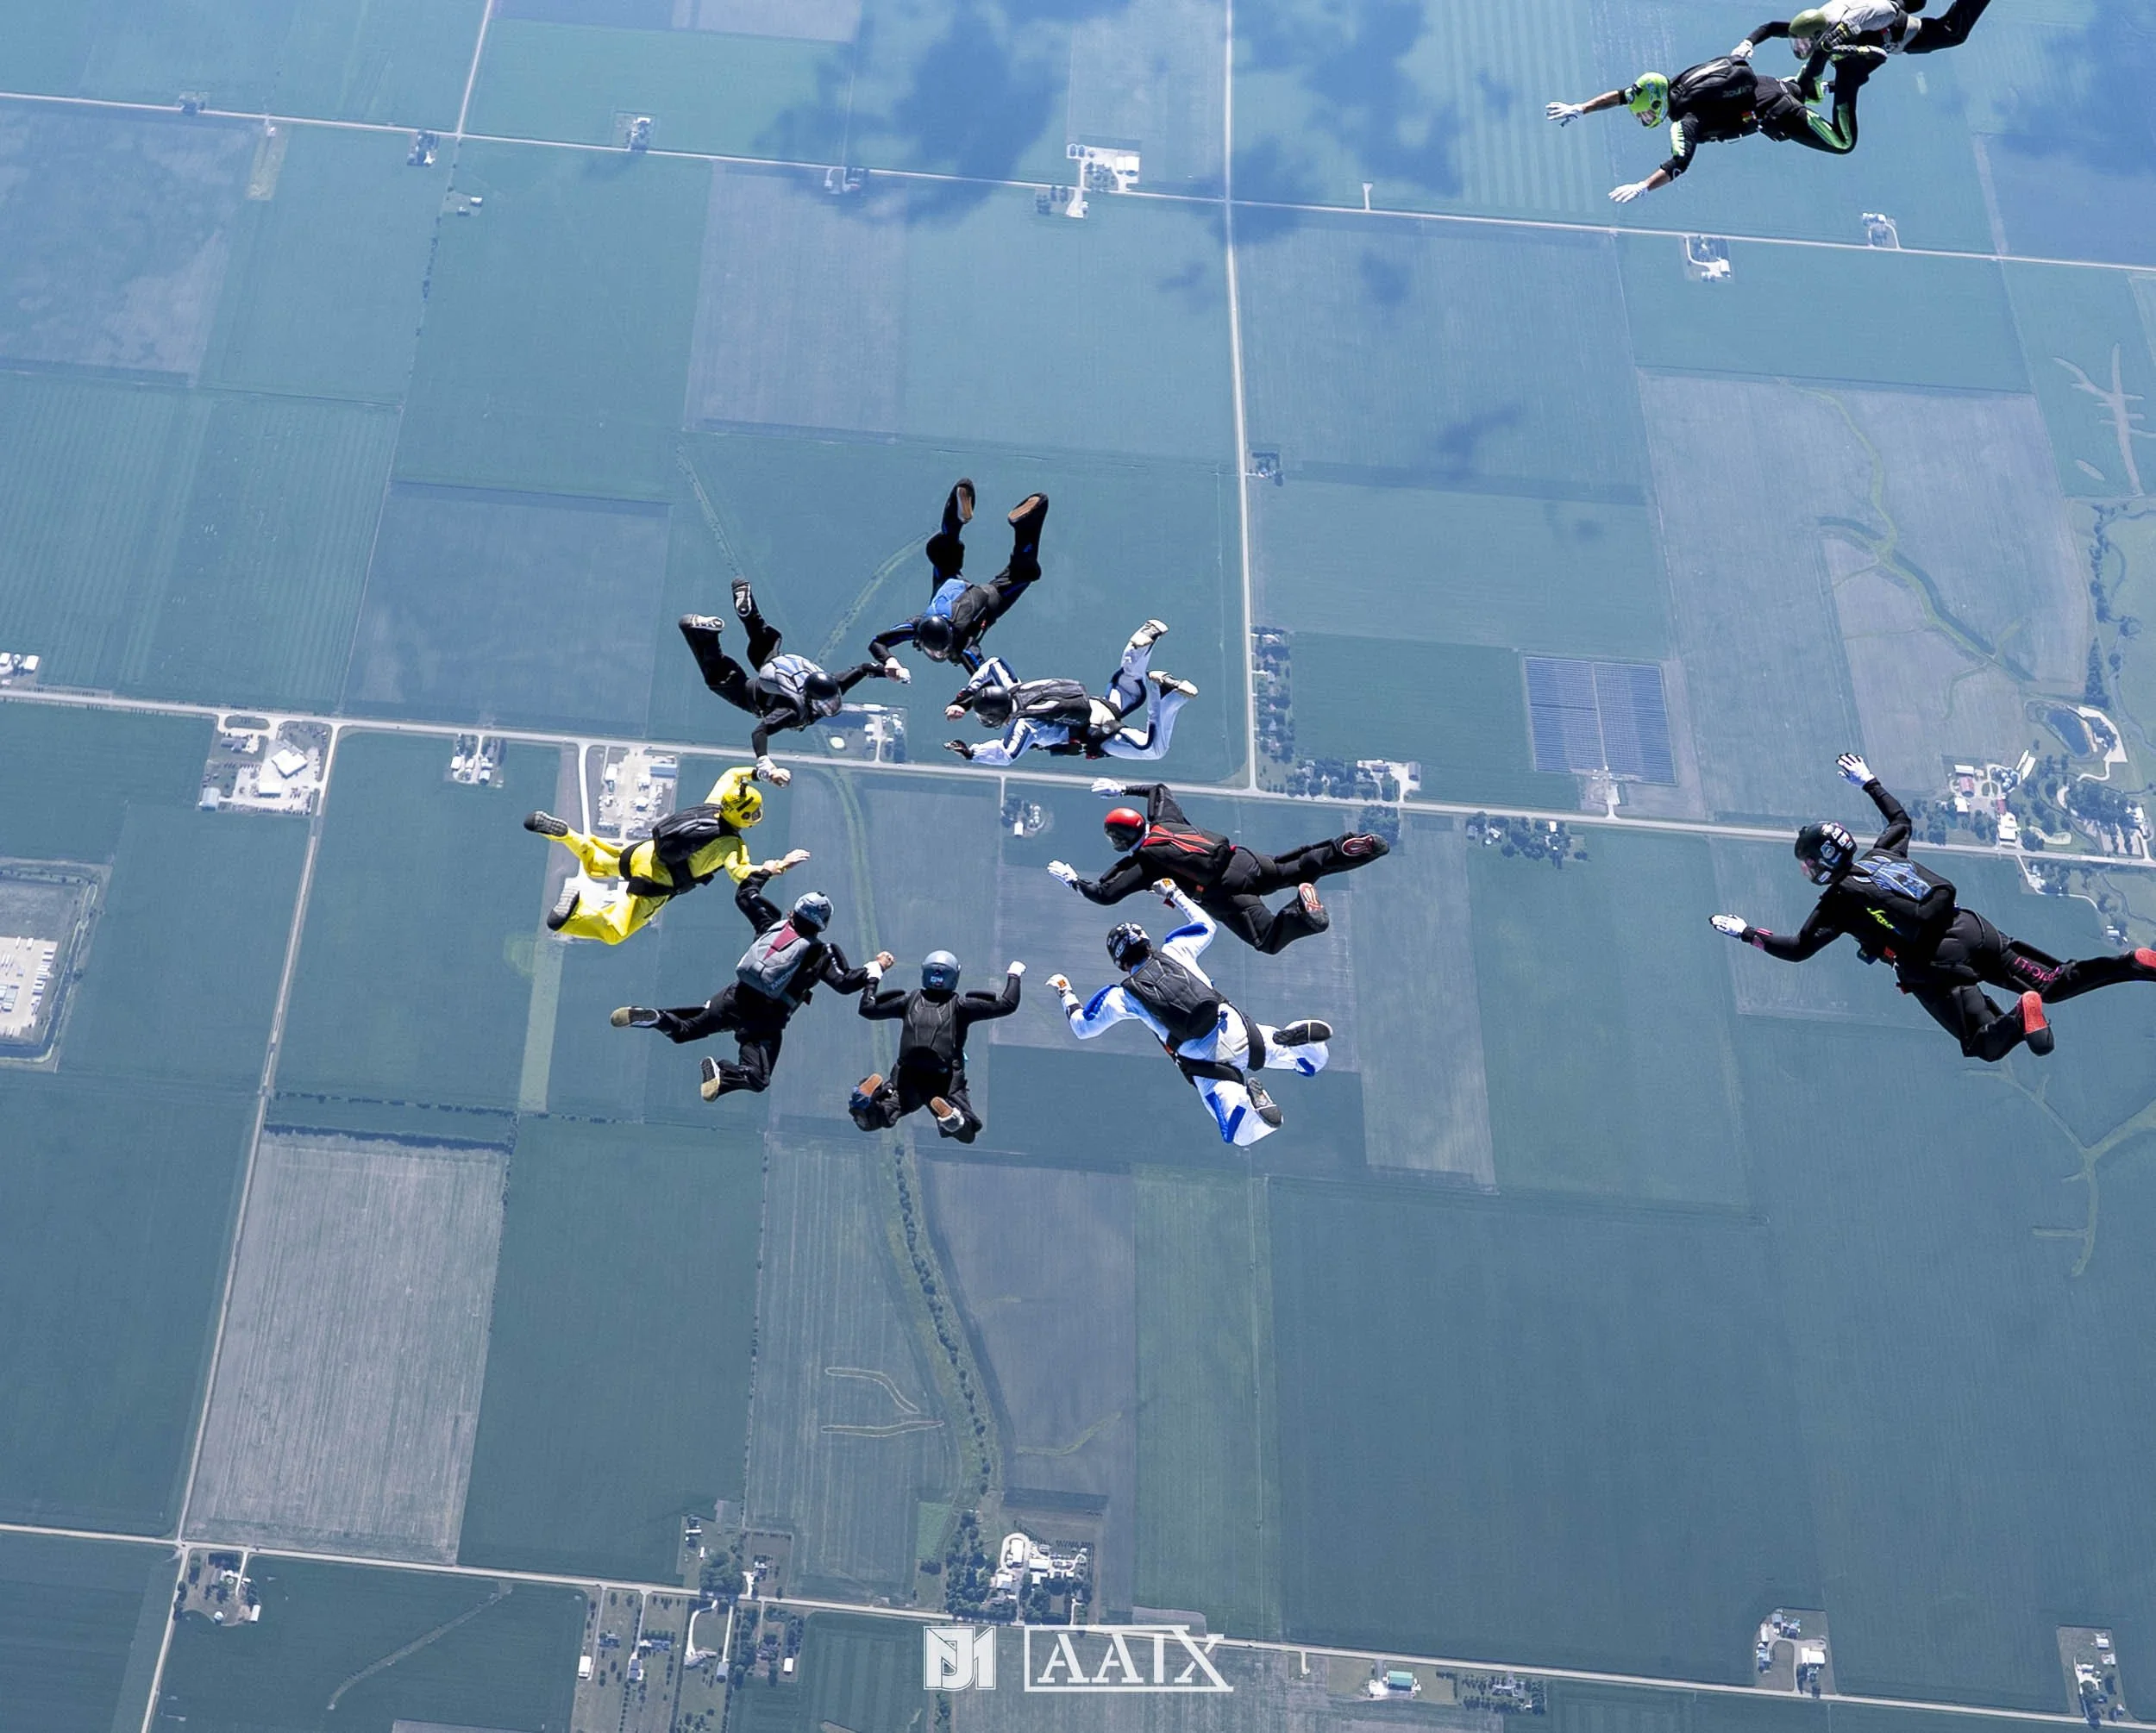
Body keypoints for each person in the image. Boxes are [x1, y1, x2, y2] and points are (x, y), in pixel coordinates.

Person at [1712, 754, 2156, 1061]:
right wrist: (1869, 782)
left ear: (1821, 864)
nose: (1807, 872)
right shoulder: (1884, 855)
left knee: (1983, 1044)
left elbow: (1796, 949)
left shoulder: (1837, 905)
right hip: (1973, 929)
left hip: (1937, 966)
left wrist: (1746, 931)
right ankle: (2132, 965)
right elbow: (1900, 820)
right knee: (2058, 980)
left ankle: (2021, 1015)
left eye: (1808, 865)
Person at [1047, 881, 1332, 1146]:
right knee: (1312, 1063)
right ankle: (1293, 1038)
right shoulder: (1176, 950)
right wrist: (1173, 894)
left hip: (1204, 1060)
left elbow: (1082, 1028)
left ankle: (1252, 1104)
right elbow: (1206, 924)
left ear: (1120, 963)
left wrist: (1065, 993)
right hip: (1235, 1028)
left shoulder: (1123, 995)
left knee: (1238, 1133)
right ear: (1147, 943)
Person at [611, 868, 887, 1101]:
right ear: (822, 923)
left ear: (795, 911)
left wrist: (767, 870)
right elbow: (845, 983)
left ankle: (657, 1017)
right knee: (757, 1078)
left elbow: (745, 895)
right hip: (766, 1019)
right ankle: (724, 1074)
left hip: (735, 997)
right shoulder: (821, 952)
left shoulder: (771, 924)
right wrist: (876, 968)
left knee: (684, 1030)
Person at [1048, 779, 1391, 954]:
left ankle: (1302, 914)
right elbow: (1158, 789)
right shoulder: (1165, 820)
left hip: (1226, 894)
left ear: (1121, 841)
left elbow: (1106, 893)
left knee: (1267, 940)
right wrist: (1123, 788)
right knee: (1300, 865)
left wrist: (1073, 880)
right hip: (1245, 860)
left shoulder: (1144, 864)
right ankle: (1353, 848)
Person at [1545, 47, 1872, 202]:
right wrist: (1581, 108)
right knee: (1810, 91)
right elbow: (1621, 96)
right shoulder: (1673, 84)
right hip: (1773, 85)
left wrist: (1643, 186)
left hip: (1778, 110)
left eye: (1645, 114)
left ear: (1658, 104)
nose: (1643, 118)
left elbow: (1678, 165)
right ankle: (1830, 57)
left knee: (1841, 142)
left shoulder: (1684, 122)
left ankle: (1848, 75)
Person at [523, 764, 805, 943]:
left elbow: (731, 774)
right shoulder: (733, 846)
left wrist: (762, 774)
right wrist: (776, 866)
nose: (757, 815)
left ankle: (565, 835)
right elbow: (740, 874)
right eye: (753, 813)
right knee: (614, 932)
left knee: (596, 864)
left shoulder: (715, 803)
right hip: (657, 881)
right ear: (743, 817)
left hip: (647, 852)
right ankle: (571, 917)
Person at [679, 579, 905, 784]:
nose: (829, 707)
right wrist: (765, 764)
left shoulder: (833, 684)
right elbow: (760, 731)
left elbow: (863, 669)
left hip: (776, 670)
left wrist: (890, 671)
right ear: (810, 698)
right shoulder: (792, 711)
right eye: (825, 704)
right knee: (717, 676)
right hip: (753, 696)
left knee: (762, 640)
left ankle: (747, 611)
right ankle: (699, 631)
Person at [943, 621, 1197, 766]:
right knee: (1129, 683)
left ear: (996, 716)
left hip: (1098, 731)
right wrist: (967, 694)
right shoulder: (1015, 688)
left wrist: (972, 753)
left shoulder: (1024, 724)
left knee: (1152, 749)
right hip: (1098, 705)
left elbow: (1005, 754)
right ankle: (1138, 648)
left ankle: (1164, 695)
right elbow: (993, 664)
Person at [867, 483, 1050, 674]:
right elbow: (878, 643)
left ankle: (1027, 524)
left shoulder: (962, 643)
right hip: (950, 586)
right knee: (944, 553)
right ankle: (955, 516)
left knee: (1022, 573)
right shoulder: (917, 624)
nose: (938, 654)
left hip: (987, 600)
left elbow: (982, 675)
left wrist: (963, 702)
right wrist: (889, 661)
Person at [848, 951, 1025, 1142]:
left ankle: (864, 1104)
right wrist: (1014, 975)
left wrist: (875, 974)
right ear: (954, 976)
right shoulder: (961, 1006)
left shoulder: (907, 1001)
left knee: (877, 1119)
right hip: (944, 1080)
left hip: (907, 1076)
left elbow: (867, 1009)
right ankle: (953, 1120)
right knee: (967, 1132)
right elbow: (1008, 1004)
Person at [1735, 0, 1992, 75]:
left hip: (1904, 31)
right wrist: (1747, 43)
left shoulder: (1848, 21)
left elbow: (1888, 9)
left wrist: (1852, 30)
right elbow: (1770, 27)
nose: (1802, 46)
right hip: (1881, 13)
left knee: (1953, 32)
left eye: (1803, 42)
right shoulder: (1817, 21)